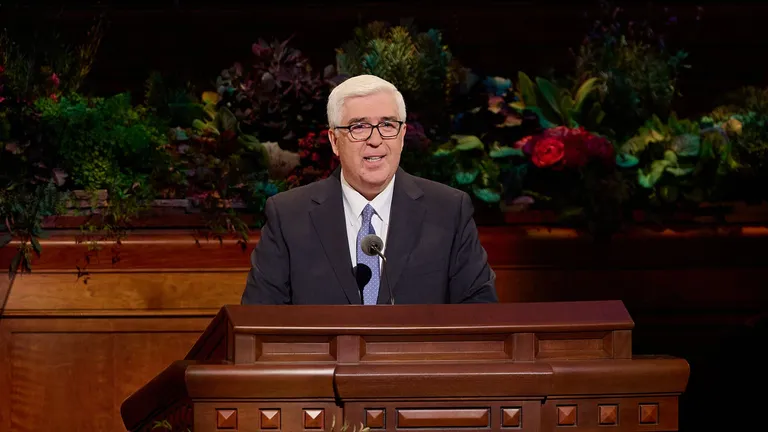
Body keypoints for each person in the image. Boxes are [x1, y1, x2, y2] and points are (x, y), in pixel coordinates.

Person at [241, 74, 497, 305]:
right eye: (359, 127)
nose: (375, 140)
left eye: (387, 125)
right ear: (334, 140)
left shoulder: (449, 211)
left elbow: (481, 315)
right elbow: (257, 320)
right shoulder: (288, 216)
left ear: (402, 135)